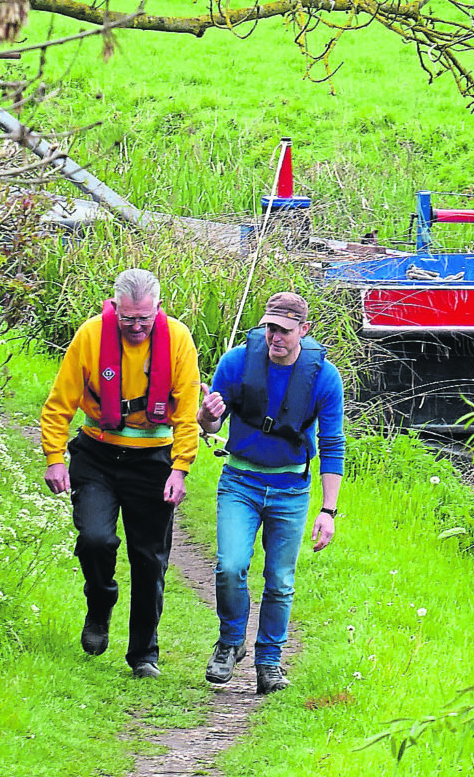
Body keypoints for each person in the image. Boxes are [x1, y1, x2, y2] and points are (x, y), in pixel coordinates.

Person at [40, 268, 200, 678]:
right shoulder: (91, 336)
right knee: (96, 540)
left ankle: (144, 654)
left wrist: (179, 468)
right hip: (98, 454)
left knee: (149, 560)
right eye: (128, 318)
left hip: (153, 460)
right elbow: (59, 403)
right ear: (113, 308)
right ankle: (100, 602)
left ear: (158, 310)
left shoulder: (178, 339)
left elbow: (185, 416)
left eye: (144, 319)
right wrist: (54, 458)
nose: (135, 326)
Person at [197, 292, 345, 695]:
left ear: (304, 330)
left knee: (279, 580)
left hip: (290, 489)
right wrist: (207, 417)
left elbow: (333, 445)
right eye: (269, 328)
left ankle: (269, 662)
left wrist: (328, 510)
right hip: (240, 482)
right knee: (230, 566)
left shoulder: (324, 377)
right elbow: (209, 427)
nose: (274, 337)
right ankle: (230, 642)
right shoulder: (237, 362)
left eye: (283, 329)